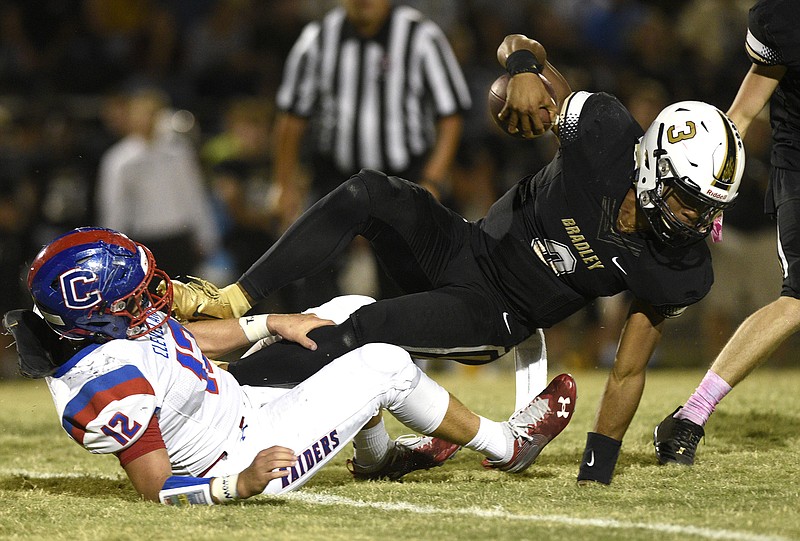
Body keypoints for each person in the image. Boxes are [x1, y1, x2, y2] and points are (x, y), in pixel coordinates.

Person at [168, 33, 745, 486]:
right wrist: (522, 69)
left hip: (496, 312)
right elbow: (519, 45)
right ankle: (233, 299)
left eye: (707, 207)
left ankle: (217, 400)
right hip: (467, 245)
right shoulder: (603, 133)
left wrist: (597, 469)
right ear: (652, 166)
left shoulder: (680, 267)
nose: (697, 221)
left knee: (362, 329)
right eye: (688, 200)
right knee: (371, 191)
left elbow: (629, 367)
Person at [2, 227, 577, 505]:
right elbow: (157, 490)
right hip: (242, 453)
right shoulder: (105, 385)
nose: (153, 296)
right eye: (133, 297)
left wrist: (271, 323)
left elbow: (178, 341)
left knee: (350, 314)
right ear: (95, 316)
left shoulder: (111, 330)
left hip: (239, 403)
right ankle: (509, 445)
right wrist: (239, 485)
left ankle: (375, 459)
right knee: (381, 363)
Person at [654, 0, 799, 466]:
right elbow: (764, 74)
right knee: (798, 297)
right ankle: (692, 415)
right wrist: (726, 144)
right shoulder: (784, 15)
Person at [271, 0, 471, 306]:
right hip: (337, 178)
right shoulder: (319, 38)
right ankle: (325, 350)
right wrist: (285, 187)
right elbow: (291, 119)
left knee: (405, 281)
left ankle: (411, 353)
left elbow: (451, 114)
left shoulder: (420, 36)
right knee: (311, 272)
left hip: (403, 177)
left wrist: (432, 179)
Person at [95, 87, 220, 279]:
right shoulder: (119, 160)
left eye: (152, 113)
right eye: (141, 113)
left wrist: (207, 237)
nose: (147, 119)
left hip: (179, 239)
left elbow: (193, 195)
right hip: (143, 242)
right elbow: (114, 206)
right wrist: (115, 250)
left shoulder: (178, 152)